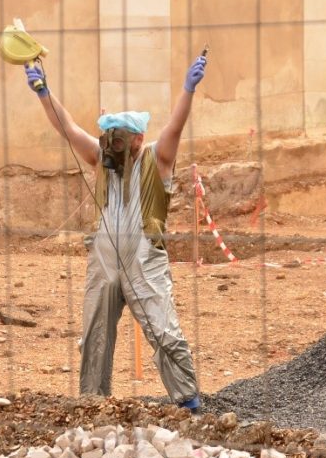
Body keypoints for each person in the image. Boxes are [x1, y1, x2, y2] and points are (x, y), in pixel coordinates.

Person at [24, 53, 207, 412]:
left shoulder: (158, 158)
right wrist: (44, 93)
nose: (110, 146)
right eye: (107, 138)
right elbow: (68, 127)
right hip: (104, 260)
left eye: (118, 139)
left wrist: (188, 90)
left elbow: (175, 125)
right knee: (95, 334)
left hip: (145, 259)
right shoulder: (100, 159)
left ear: (137, 138)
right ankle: (92, 405)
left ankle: (189, 402)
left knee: (163, 330)